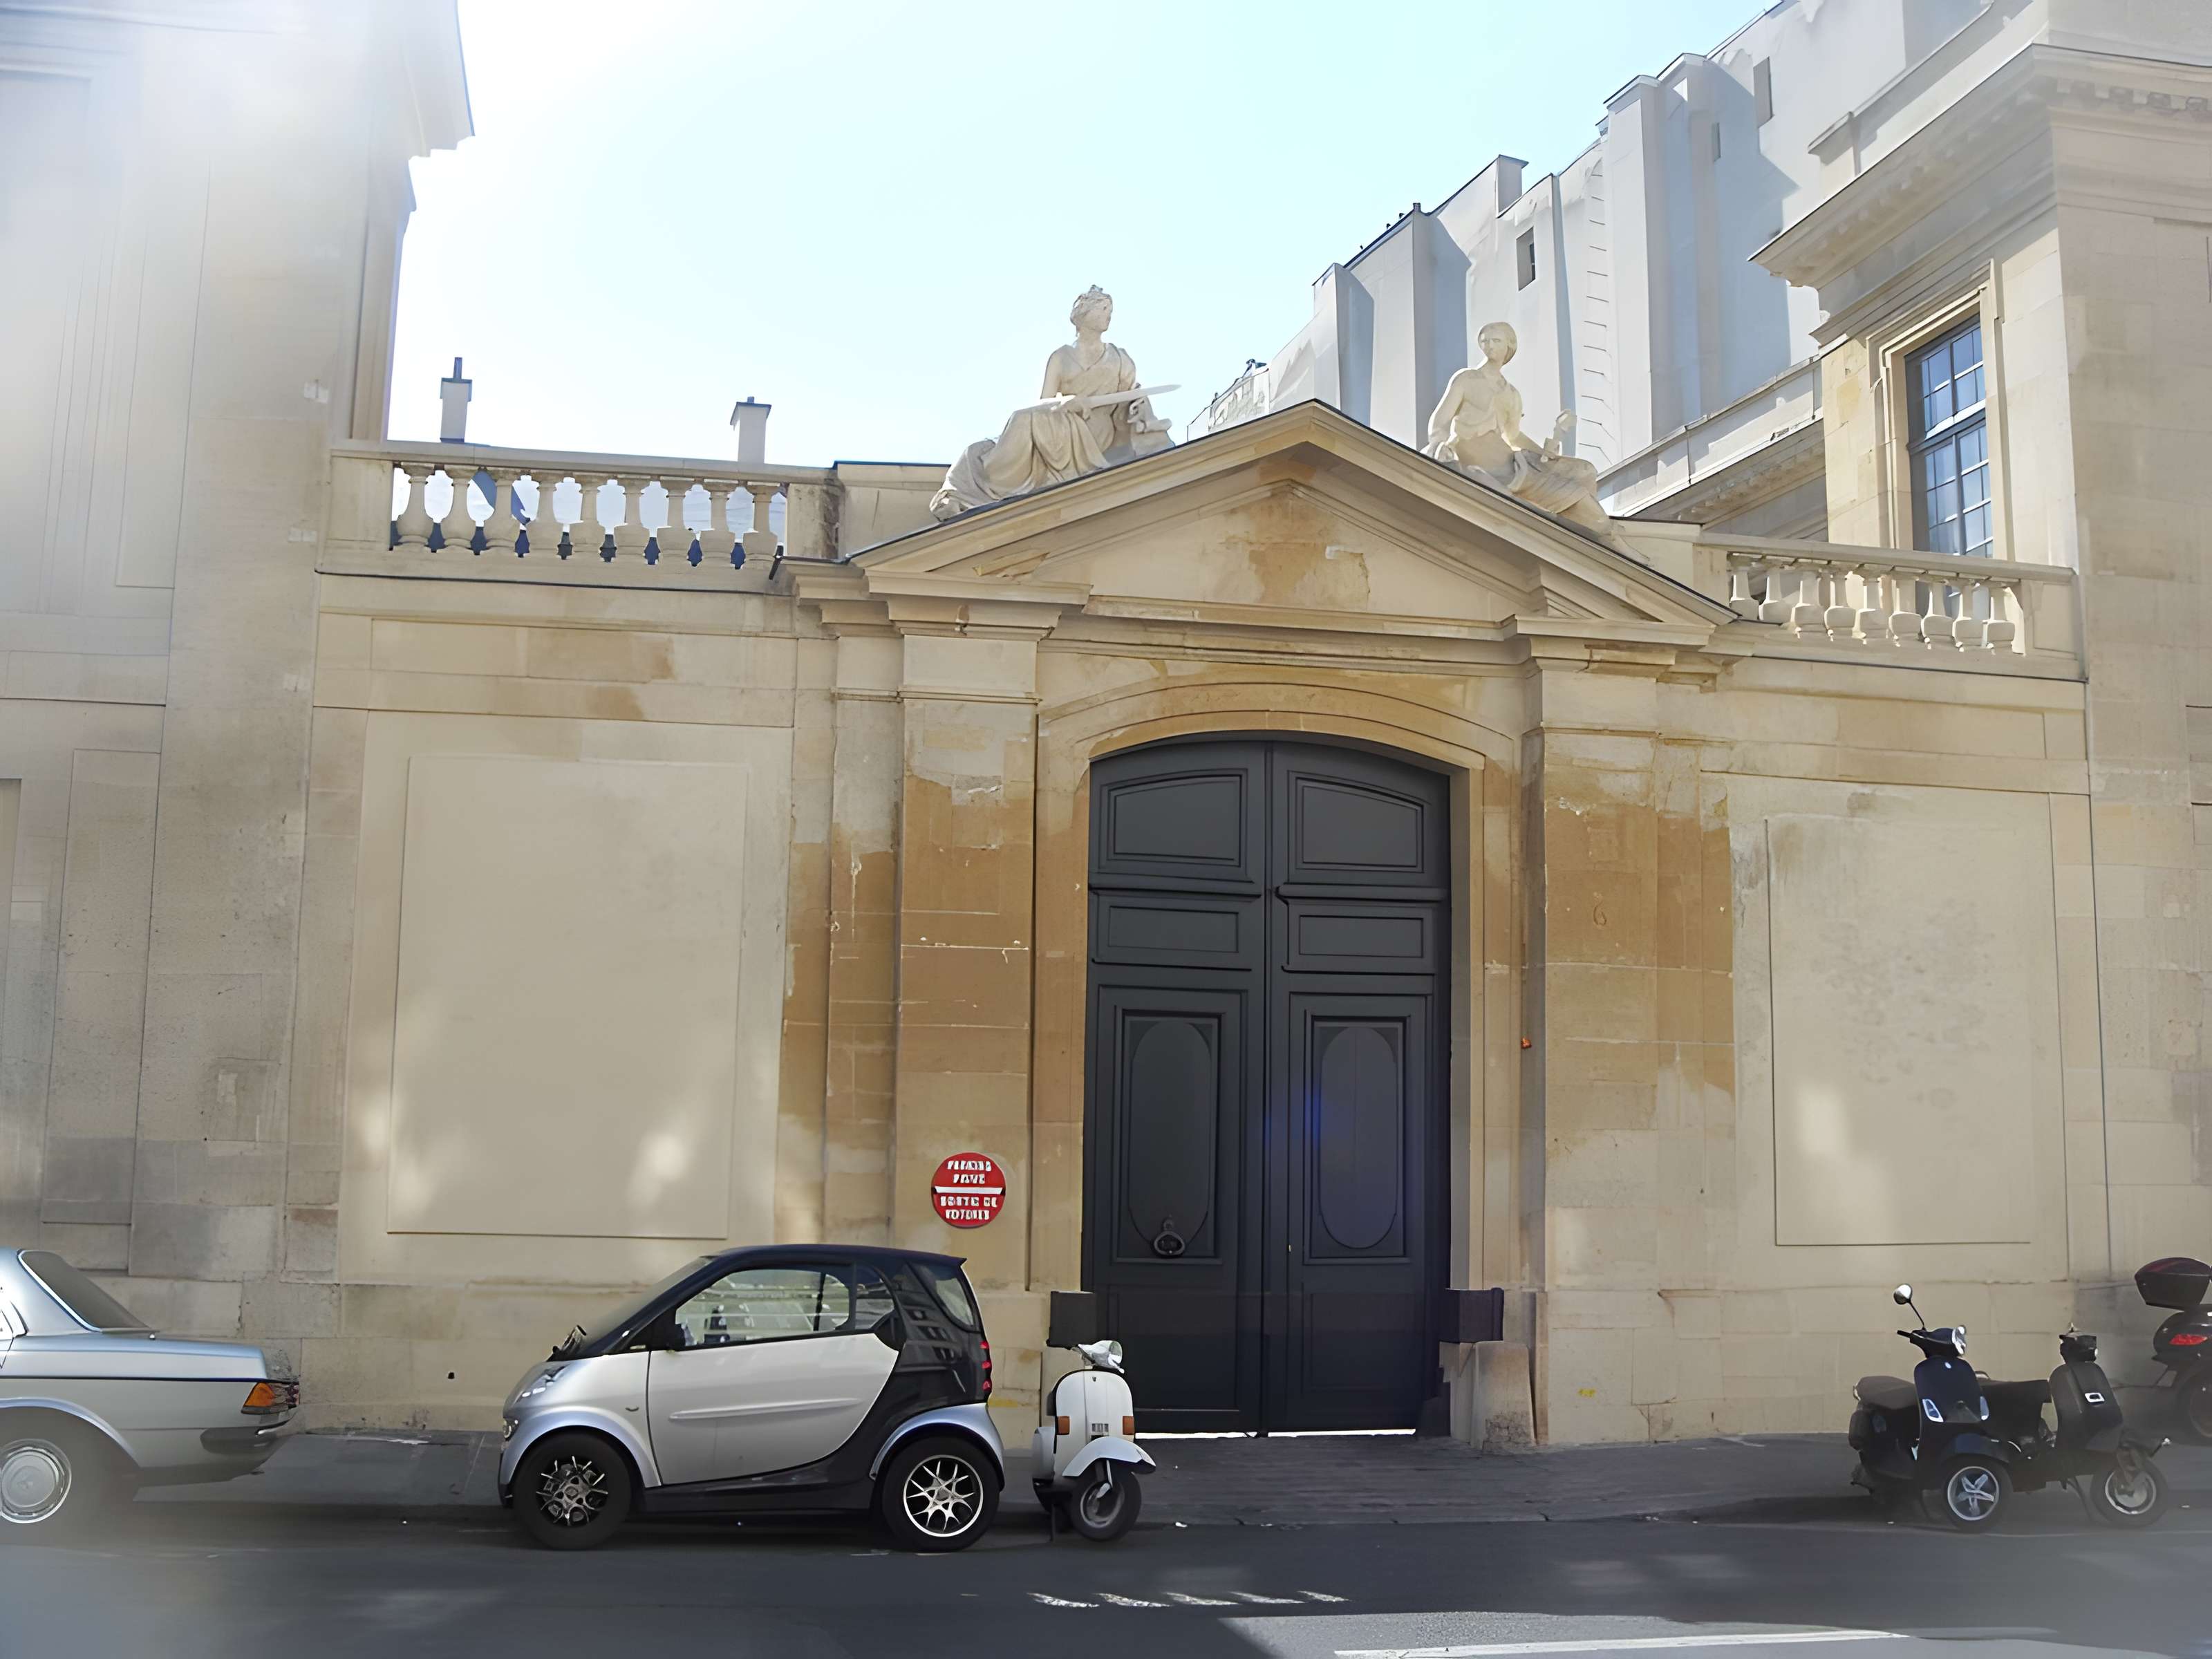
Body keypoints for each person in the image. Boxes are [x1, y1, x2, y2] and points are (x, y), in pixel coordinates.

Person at [931, 287, 1172, 519]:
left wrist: (1139, 405)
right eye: (1101, 310)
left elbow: (1128, 403)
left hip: (1098, 433)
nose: (1108, 316)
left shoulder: (1120, 358)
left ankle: (991, 478)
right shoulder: (1061, 357)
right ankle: (993, 478)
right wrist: (1068, 402)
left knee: (1023, 417)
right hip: (1064, 423)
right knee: (1017, 421)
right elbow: (1044, 402)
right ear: (1083, 315)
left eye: (1109, 310)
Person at [1424, 320, 1620, 545]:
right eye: (1485, 341)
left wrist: (1547, 455)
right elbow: (1440, 420)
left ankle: (1601, 540)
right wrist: (1437, 443)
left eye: (1496, 341)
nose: (1489, 346)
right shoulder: (1467, 379)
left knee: (1583, 473)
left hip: (1510, 464)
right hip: (1478, 462)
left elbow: (1514, 436)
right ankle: (1595, 539)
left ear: (1509, 345)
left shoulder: (1511, 394)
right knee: (1567, 491)